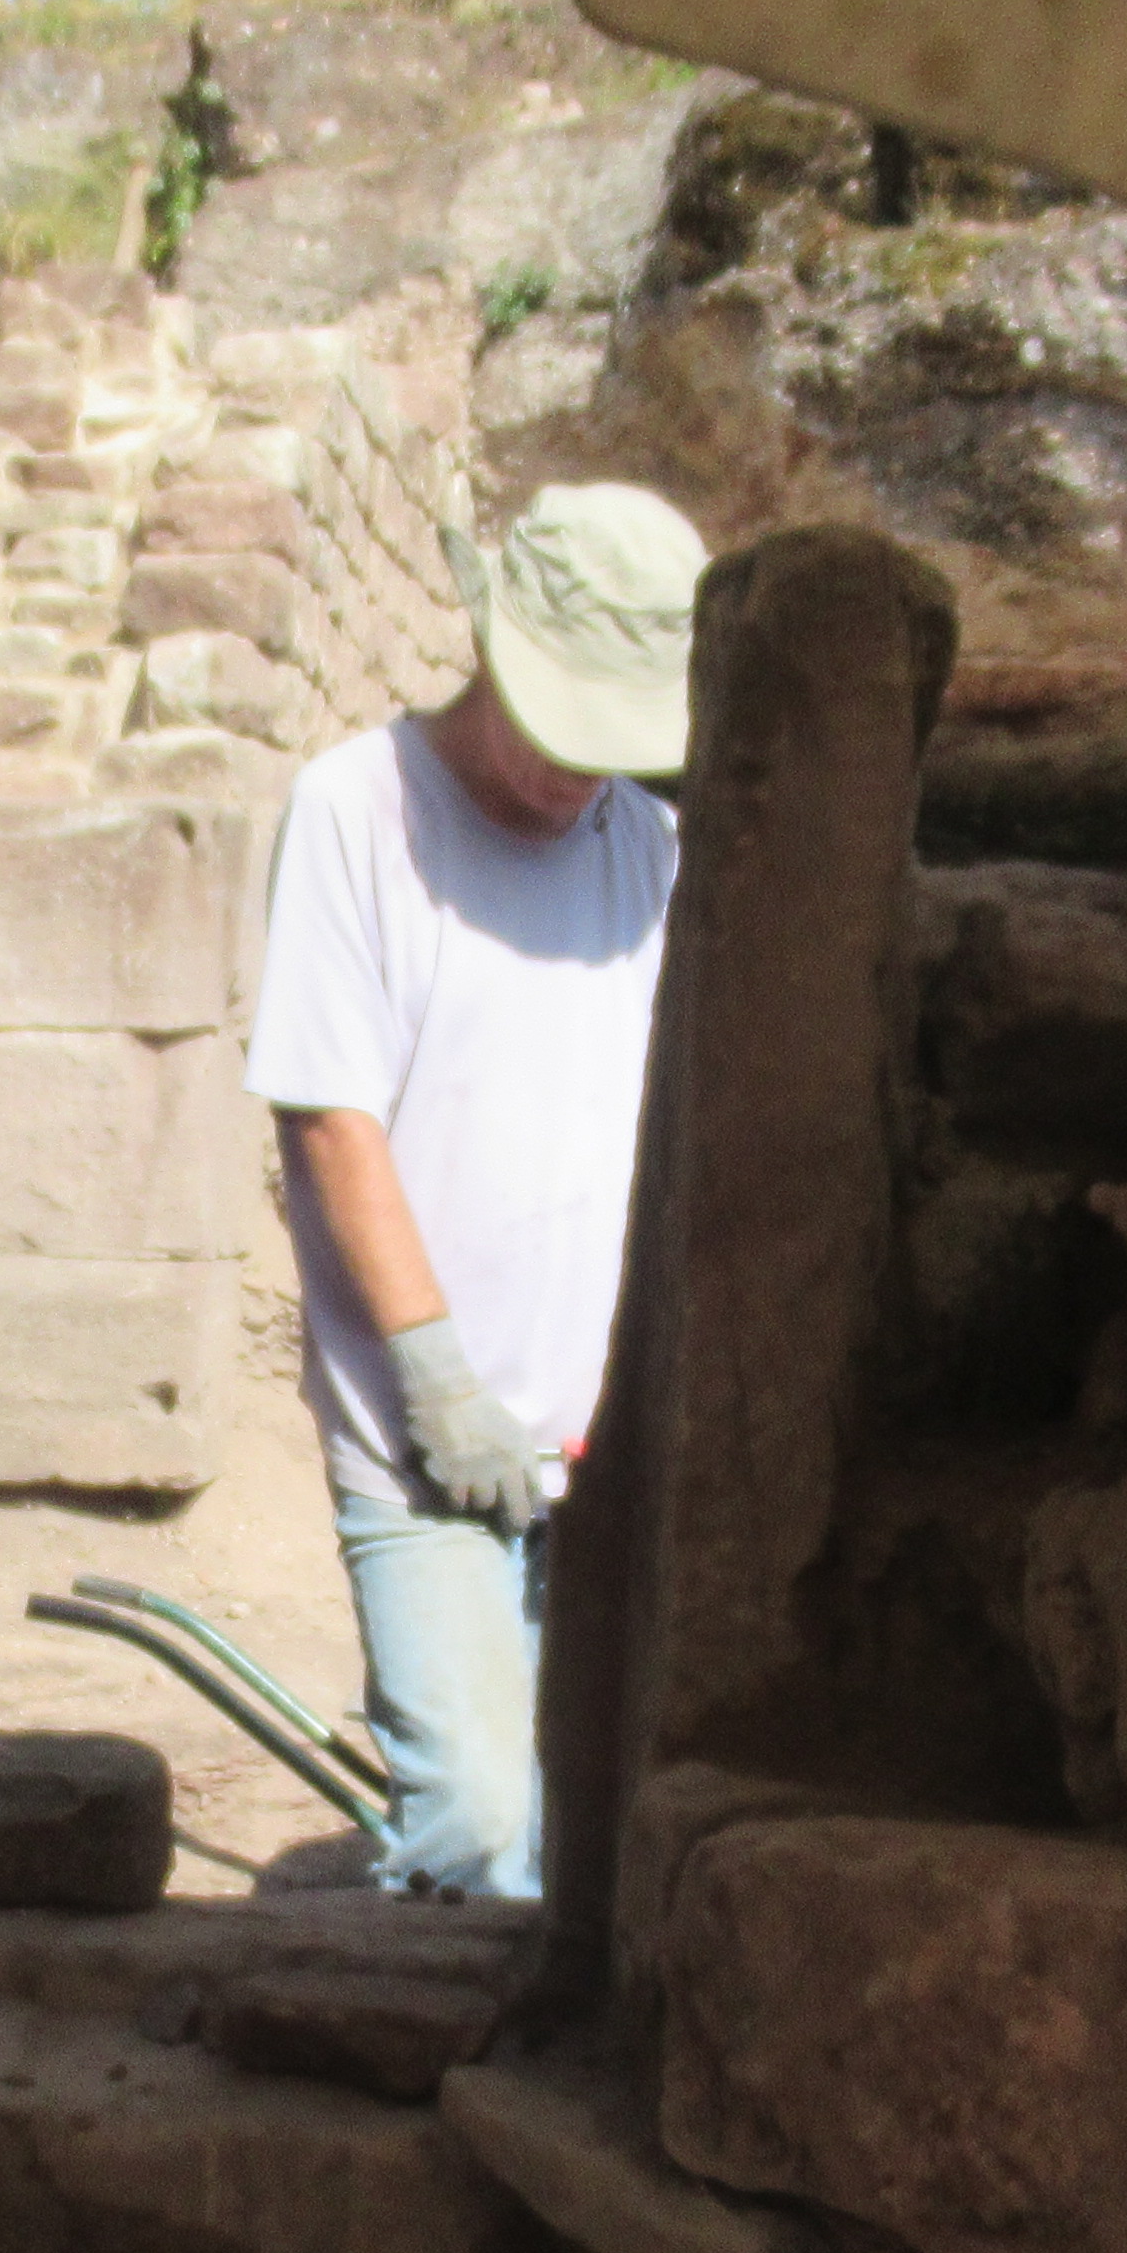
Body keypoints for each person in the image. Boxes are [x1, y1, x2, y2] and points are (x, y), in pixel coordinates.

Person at [243, 481, 708, 1899]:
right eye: (556, 731)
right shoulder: (359, 811)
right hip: (422, 1428)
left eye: (608, 745)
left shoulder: (652, 852)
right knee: (479, 1819)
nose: (577, 777)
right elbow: (334, 1121)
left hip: (604, 1432)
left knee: (598, 1827)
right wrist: (438, 1378)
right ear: (490, 646)